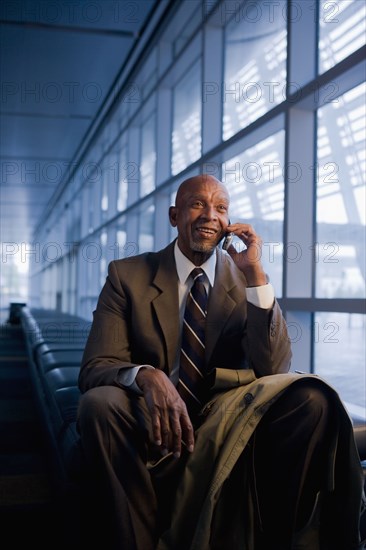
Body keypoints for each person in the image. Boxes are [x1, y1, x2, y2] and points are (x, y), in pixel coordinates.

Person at [77, 174, 364, 550]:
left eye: (221, 208)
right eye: (197, 204)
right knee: (99, 403)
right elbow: (96, 366)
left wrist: (256, 274)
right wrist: (146, 376)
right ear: (174, 215)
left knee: (312, 400)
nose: (210, 215)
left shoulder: (245, 278)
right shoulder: (127, 275)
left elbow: (275, 368)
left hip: (224, 411)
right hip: (152, 413)